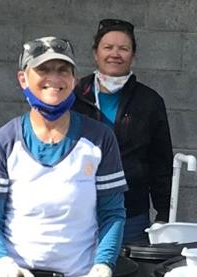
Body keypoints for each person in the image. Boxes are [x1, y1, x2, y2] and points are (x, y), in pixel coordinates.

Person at [0, 36, 128, 277]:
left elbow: (112, 214)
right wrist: (1, 262)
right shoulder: (2, 142)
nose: (54, 79)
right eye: (43, 70)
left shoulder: (100, 139)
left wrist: (102, 266)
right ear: (23, 78)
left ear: (74, 80)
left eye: (62, 70)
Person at [73, 18, 174, 246]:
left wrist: (164, 214)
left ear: (133, 56)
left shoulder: (149, 101)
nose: (115, 54)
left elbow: (160, 161)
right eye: (108, 47)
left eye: (123, 48)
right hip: (76, 211)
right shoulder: (74, 95)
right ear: (95, 54)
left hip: (131, 213)